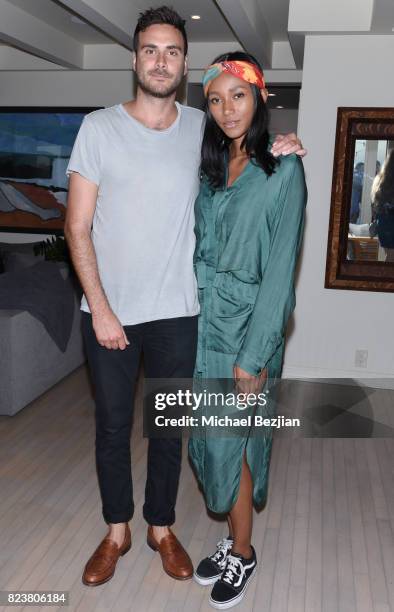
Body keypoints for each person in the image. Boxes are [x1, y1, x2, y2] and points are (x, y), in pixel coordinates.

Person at [64, 6, 306, 587]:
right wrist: (100, 307)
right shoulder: (99, 128)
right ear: (135, 58)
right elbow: (76, 227)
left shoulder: (201, 128)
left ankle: (161, 528)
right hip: (111, 314)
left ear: (184, 63)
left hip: (182, 313)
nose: (161, 60)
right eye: (151, 49)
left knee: (170, 428)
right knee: (114, 427)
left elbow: (255, 157)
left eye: (172, 51)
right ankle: (117, 531)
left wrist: (285, 145)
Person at [188, 52, 307, 609]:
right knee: (213, 445)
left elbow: (282, 270)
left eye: (238, 95)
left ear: (259, 97)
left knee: (236, 447)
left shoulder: (283, 168)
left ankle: (244, 552)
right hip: (205, 325)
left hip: (247, 332)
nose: (227, 108)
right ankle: (233, 540)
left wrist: (254, 356)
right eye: (215, 98)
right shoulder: (211, 172)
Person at [370, 150, 394, 262]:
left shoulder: (379, 181)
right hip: (390, 224)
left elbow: (374, 206)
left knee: (389, 257)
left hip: (383, 225)